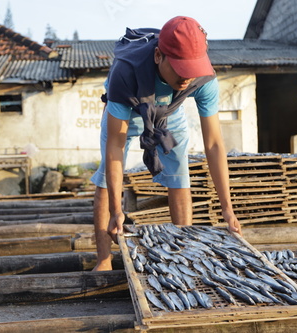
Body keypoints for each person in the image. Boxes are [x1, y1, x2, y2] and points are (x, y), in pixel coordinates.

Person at [90, 16, 242, 271]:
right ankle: (103, 260)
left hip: (170, 112)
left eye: (192, 70)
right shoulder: (125, 73)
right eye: (181, 69)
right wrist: (119, 211)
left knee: (179, 174)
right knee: (106, 178)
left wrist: (227, 208)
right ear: (159, 56)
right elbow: (115, 146)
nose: (187, 78)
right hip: (126, 106)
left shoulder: (203, 78)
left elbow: (214, 144)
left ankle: (183, 256)